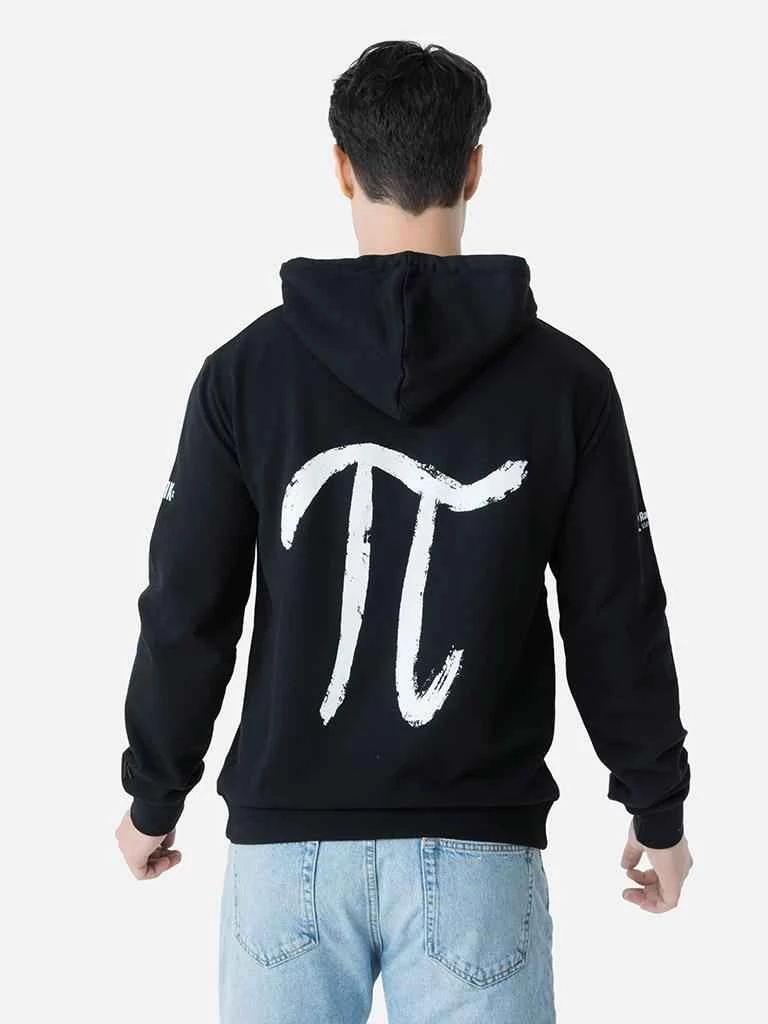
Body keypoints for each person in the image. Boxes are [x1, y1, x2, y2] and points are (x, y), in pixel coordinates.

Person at [115, 39, 693, 1023]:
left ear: (342, 167)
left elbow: (188, 611)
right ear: (475, 169)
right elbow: (615, 616)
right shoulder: (566, 384)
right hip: (479, 853)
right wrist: (658, 804)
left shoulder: (244, 375)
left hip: (287, 854)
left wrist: (152, 796)